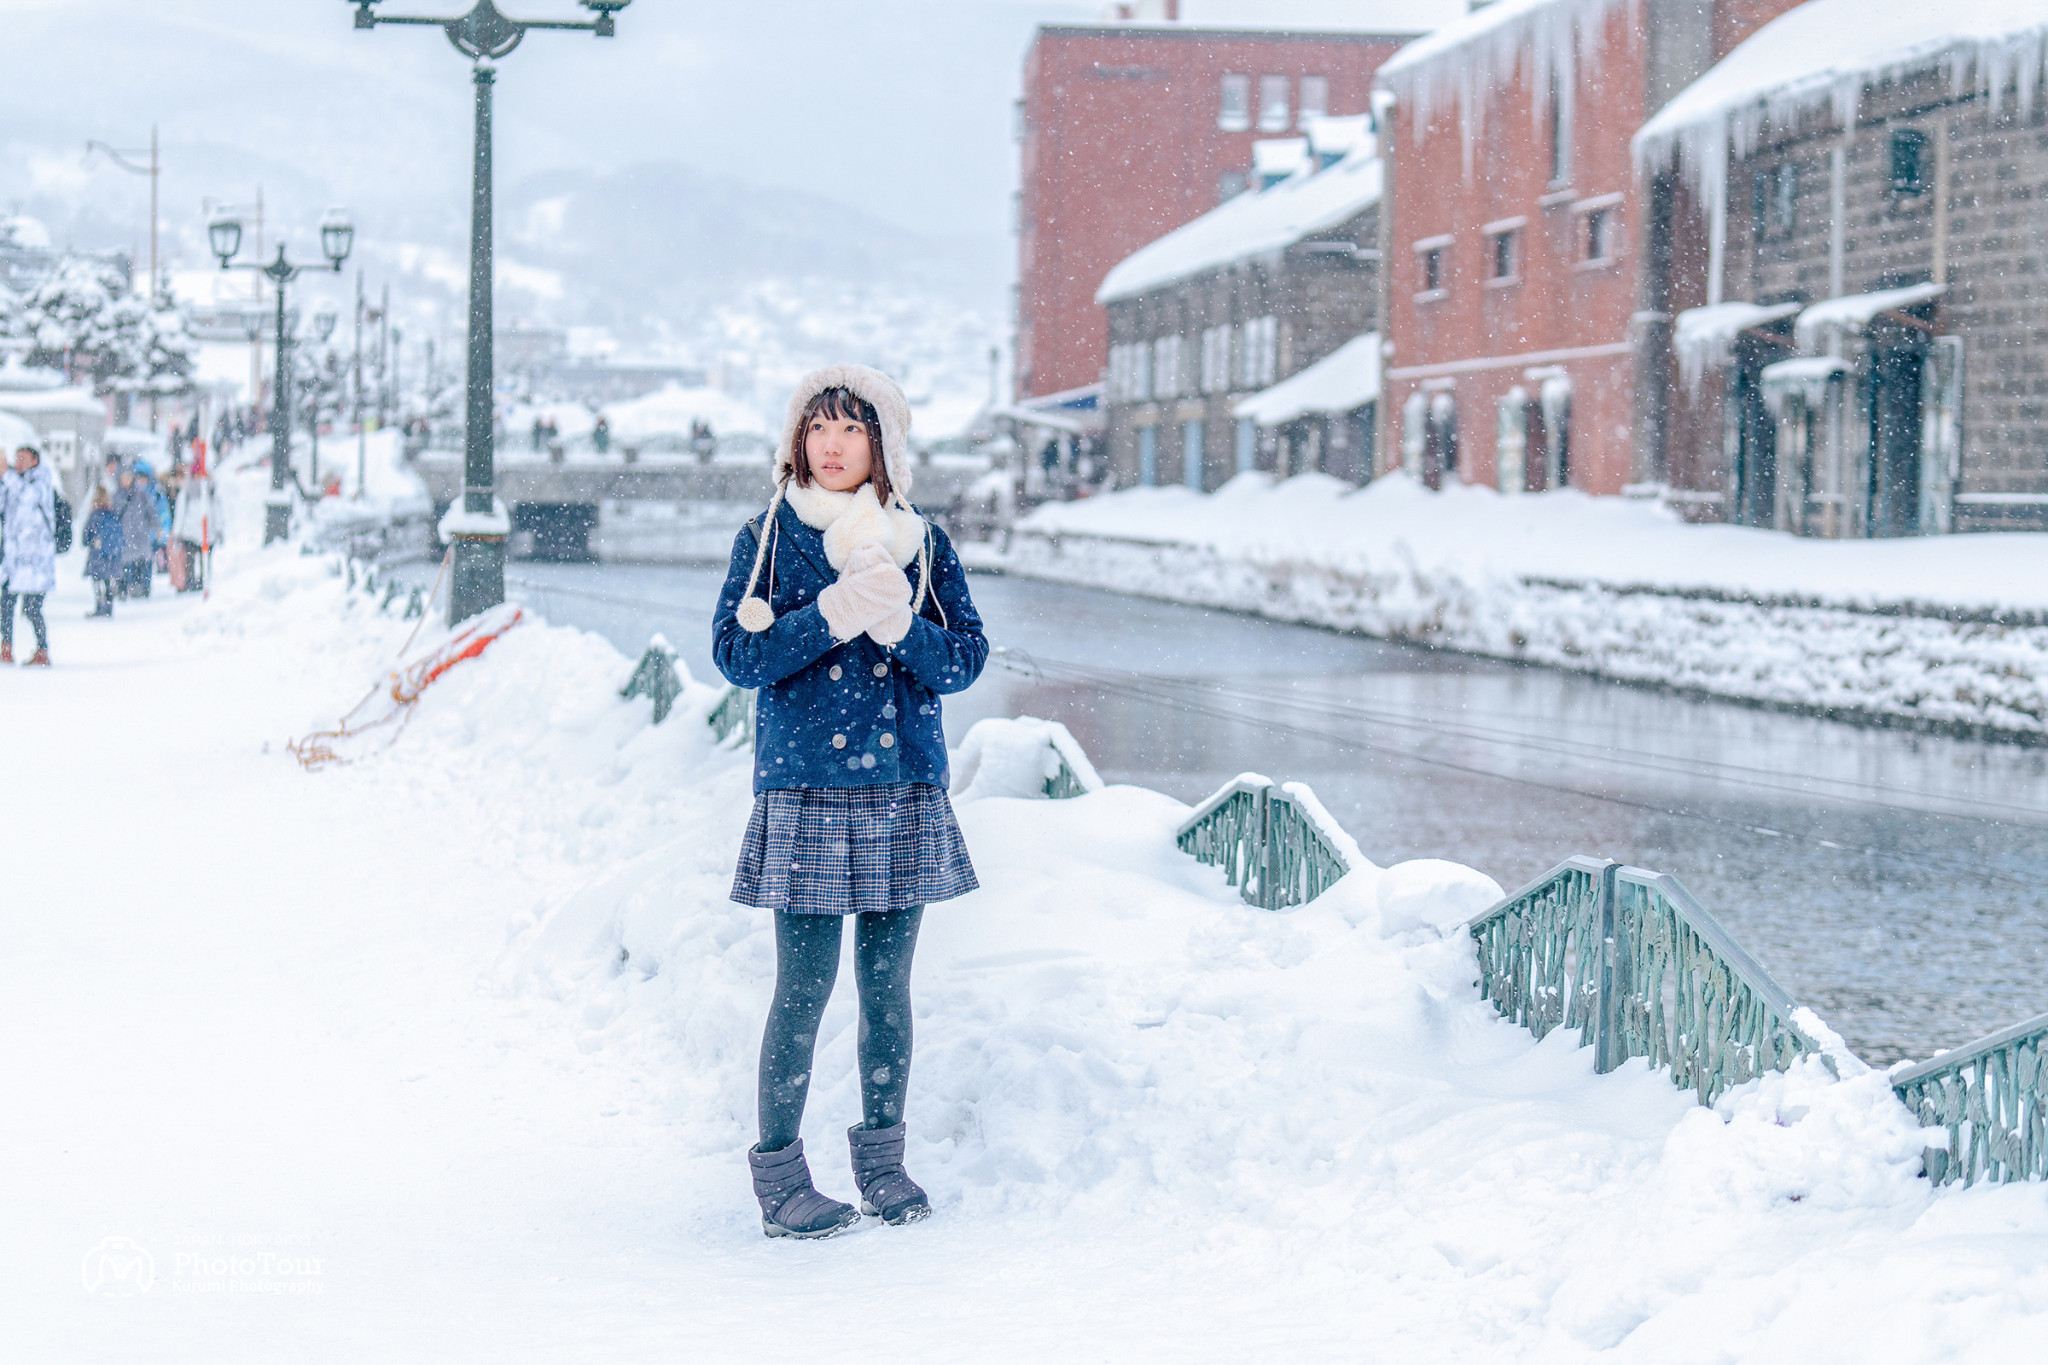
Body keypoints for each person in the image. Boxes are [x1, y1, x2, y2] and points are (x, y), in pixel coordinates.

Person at [713, 364, 988, 1240]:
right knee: (804, 988)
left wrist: (901, 626)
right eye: (817, 428)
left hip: (901, 784)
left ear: (883, 446)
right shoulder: (768, 537)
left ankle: (882, 1162)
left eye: (852, 429)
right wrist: (832, 613)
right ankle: (781, 1179)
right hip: (807, 788)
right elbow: (736, 655)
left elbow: (965, 659)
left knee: (886, 988)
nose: (831, 446)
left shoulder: (923, 543)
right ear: (797, 441)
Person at [0, 443, 57, 665]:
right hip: (14, 559)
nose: (18, 463)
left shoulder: (41, 482)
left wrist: (8, 476)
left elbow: (29, 498)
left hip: (36, 561)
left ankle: (42, 650)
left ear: (35, 461)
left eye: (23, 458)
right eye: (16, 458)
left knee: (32, 609)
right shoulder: (13, 483)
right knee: (5, 604)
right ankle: (6, 647)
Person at [114, 463, 156, 599]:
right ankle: (124, 588)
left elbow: (151, 512)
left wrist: (156, 526)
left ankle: (141, 588)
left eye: (129, 477)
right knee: (124, 564)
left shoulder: (140, 495)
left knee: (141, 563)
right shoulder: (116, 497)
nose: (127, 480)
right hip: (124, 536)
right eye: (124, 477)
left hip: (141, 535)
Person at [82, 483, 123, 617]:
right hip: (112, 556)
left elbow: (85, 538)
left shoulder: (95, 516)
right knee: (108, 581)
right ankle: (109, 608)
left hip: (98, 556)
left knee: (97, 581)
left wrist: (91, 542)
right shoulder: (113, 515)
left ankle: (100, 607)